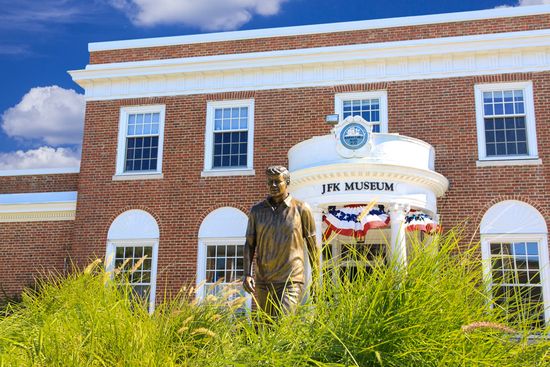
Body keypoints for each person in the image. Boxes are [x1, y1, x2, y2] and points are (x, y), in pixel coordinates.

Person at [242, 165, 320, 317]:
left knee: (283, 323)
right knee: (267, 327)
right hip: (264, 280)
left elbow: (312, 246)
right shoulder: (257, 211)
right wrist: (247, 274)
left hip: (291, 279)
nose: (273, 186)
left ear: (287, 182)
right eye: (270, 182)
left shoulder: (302, 209)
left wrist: (316, 278)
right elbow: (250, 244)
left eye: (277, 182)